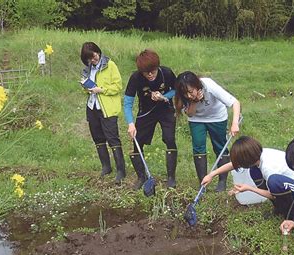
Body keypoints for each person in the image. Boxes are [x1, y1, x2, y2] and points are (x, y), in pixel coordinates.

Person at [201, 136, 294, 217]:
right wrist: (212, 174)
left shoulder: (267, 168)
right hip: (290, 183)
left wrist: (249, 188)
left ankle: (293, 213)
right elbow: (233, 164)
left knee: (272, 183)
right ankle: (280, 208)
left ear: (246, 160)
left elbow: (273, 195)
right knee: (255, 172)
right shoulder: (258, 155)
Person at [174, 71, 241, 192]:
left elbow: (235, 102)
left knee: (220, 146)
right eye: (185, 94)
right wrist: (194, 101)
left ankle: (222, 182)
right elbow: (190, 113)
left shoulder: (209, 86)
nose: (188, 95)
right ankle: (203, 182)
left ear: (196, 85)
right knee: (198, 147)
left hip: (217, 117)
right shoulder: (184, 97)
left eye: (190, 92)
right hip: (196, 119)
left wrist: (235, 123)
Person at [123, 49, 177, 189]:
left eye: (153, 71)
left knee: (169, 139)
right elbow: (128, 102)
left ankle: (171, 177)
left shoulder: (166, 73)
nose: (150, 75)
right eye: (146, 73)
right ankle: (142, 176)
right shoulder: (135, 78)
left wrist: (165, 97)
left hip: (165, 110)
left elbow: (176, 89)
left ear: (157, 67)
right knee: (137, 141)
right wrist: (130, 123)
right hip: (146, 111)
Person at [80, 42, 125, 184]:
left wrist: (101, 89)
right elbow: (86, 87)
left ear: (97, 51)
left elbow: (118, 86)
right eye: (89, 59)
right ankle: (106, 167)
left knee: (112, 138)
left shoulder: (110, 65)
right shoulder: (87, 69)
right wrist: (86, 88)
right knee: (98, 138)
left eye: (94, 56)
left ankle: (120, 170)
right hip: (92, 107)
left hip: (107, 108)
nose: (93, 60)